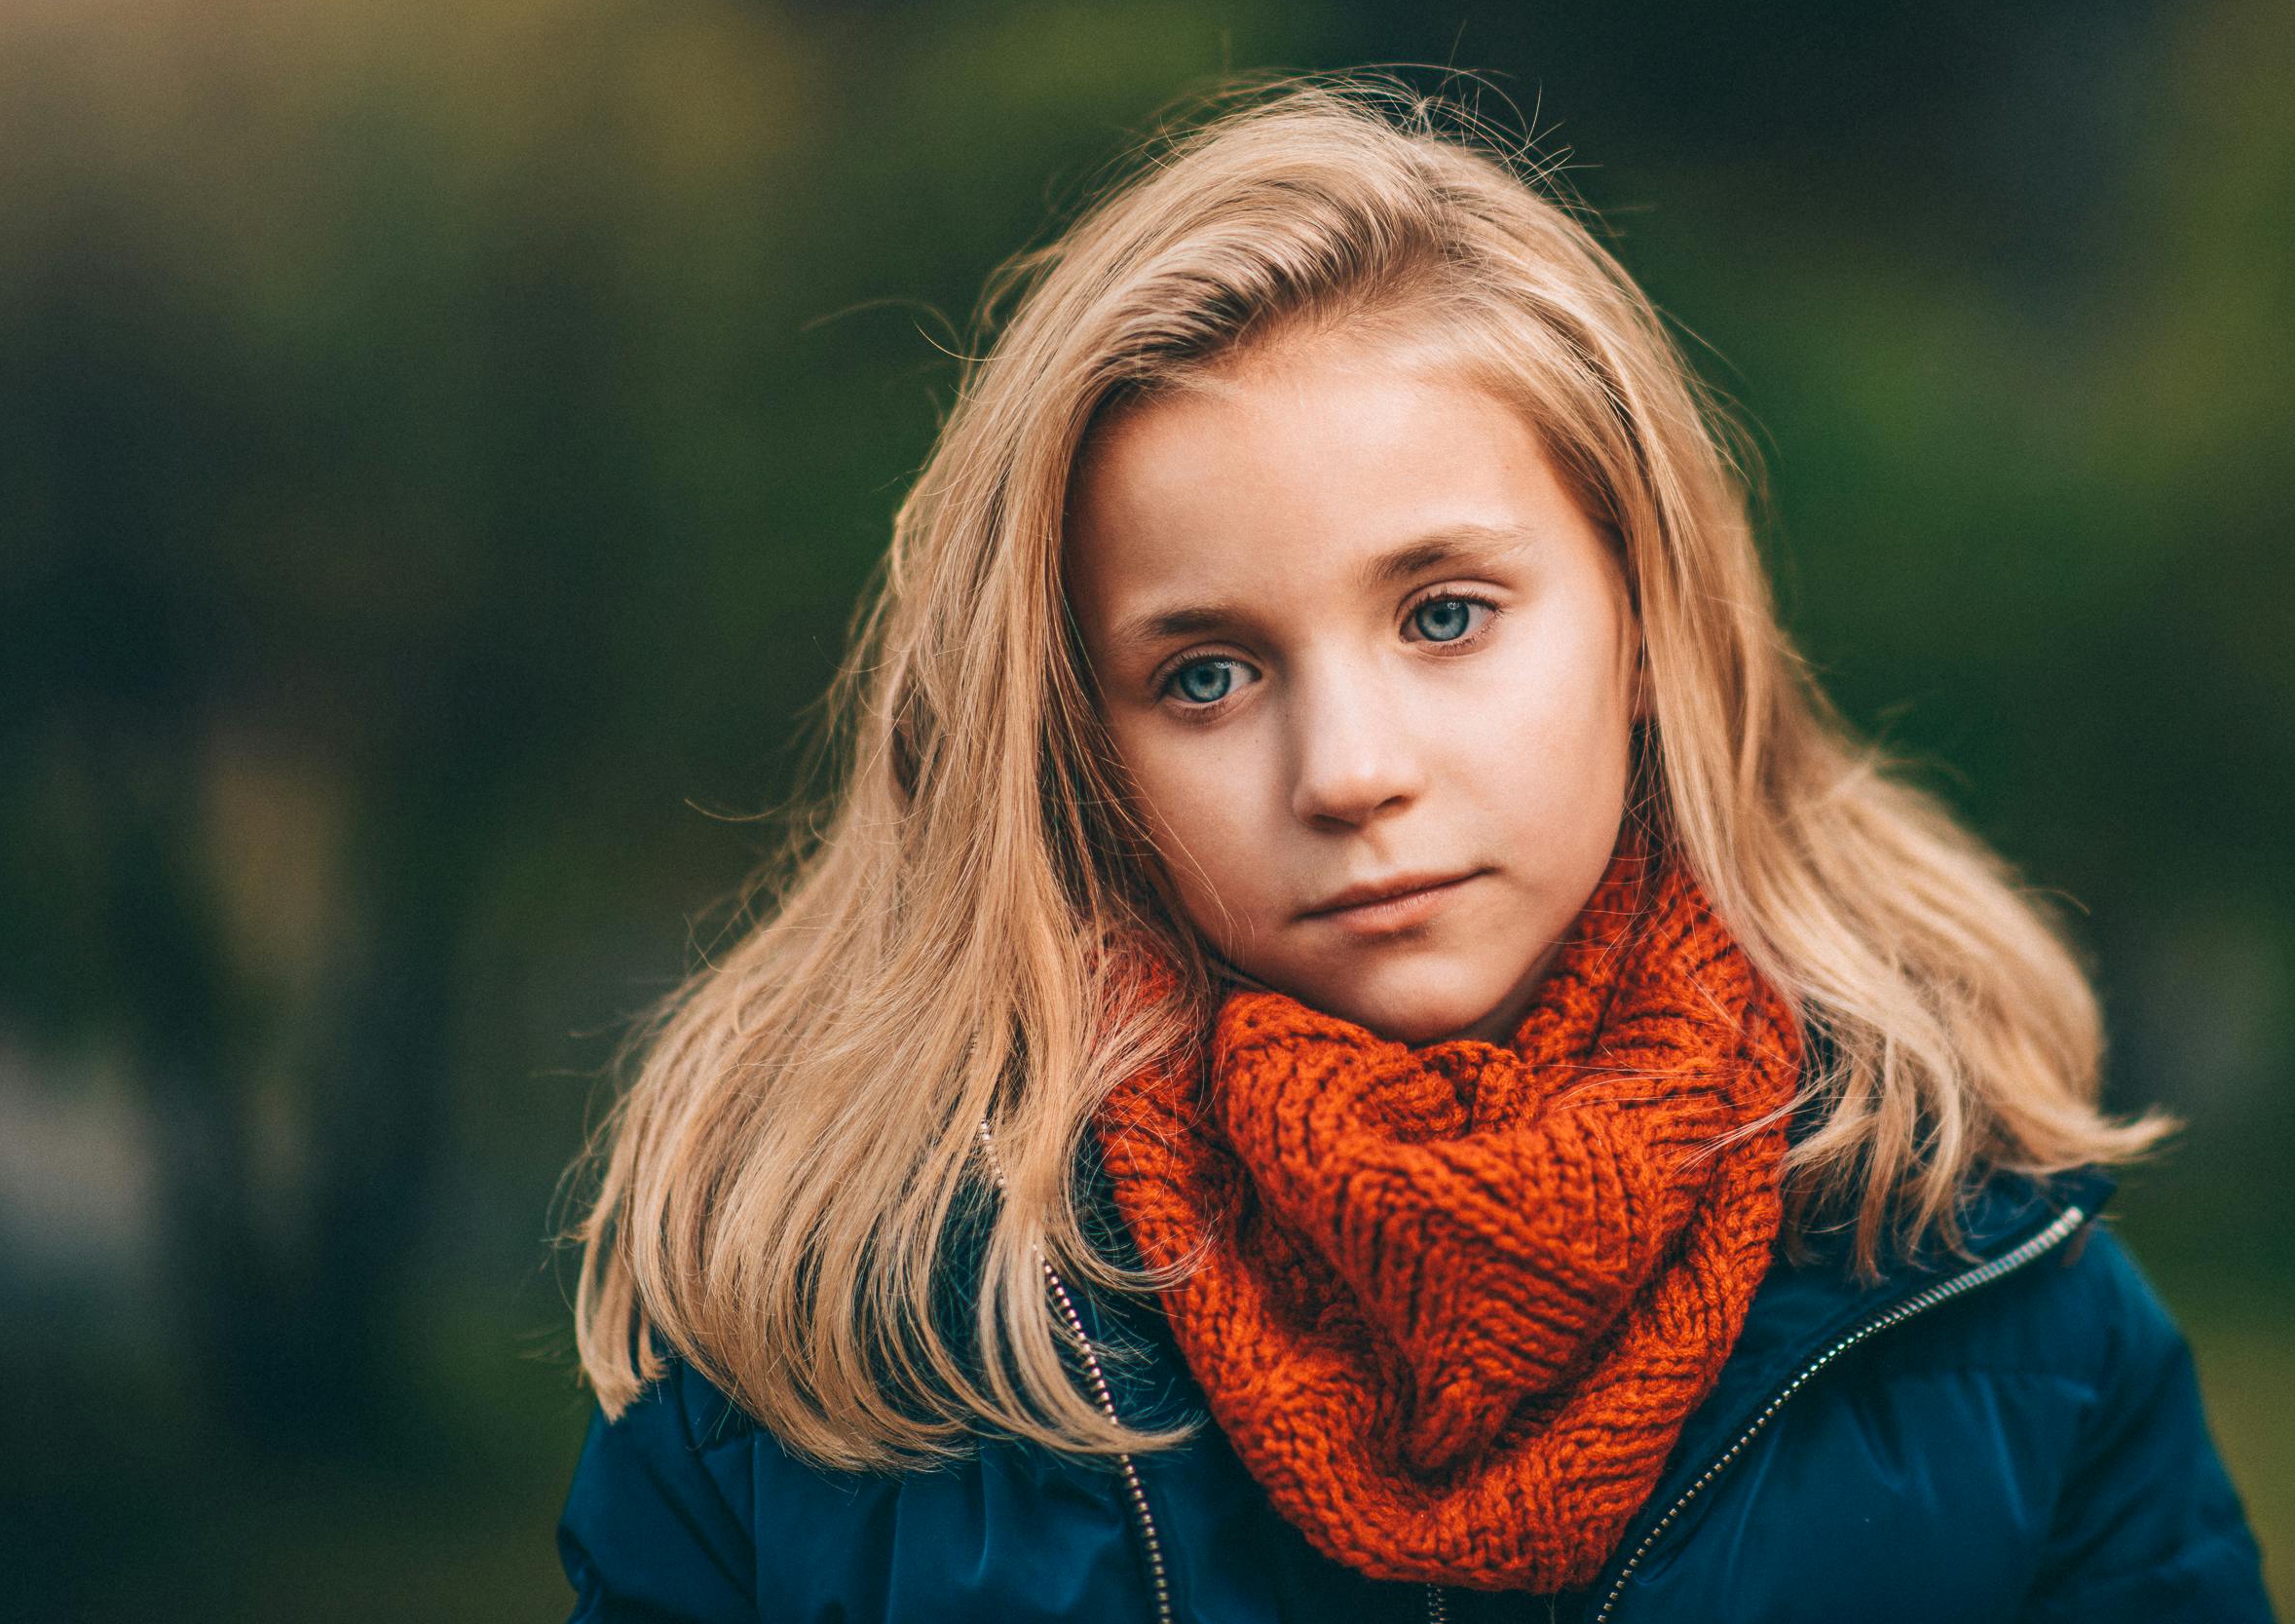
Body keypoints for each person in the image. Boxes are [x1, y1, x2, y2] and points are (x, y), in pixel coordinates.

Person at [556, 80, 2273, 1621]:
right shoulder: (834, 1365)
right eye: (1205, 676)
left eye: (1444, 615)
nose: (1349, 772)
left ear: (1647, 620)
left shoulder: (2000, 1305)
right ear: (1078, 743)